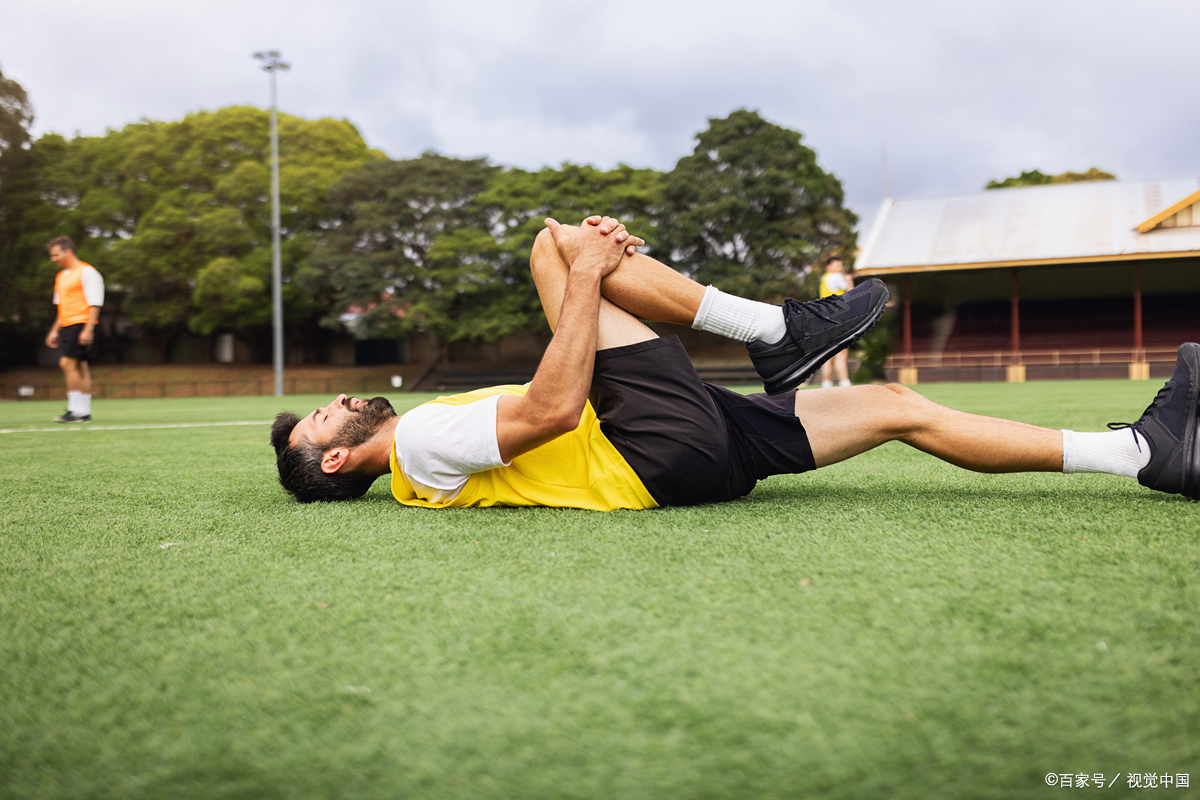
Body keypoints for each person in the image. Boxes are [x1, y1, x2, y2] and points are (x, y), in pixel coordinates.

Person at [270, 216, 1200, 507]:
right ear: (340, 459)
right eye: (323, 418)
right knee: (555, 245)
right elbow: (556, 408)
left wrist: (612, 275)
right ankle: (776, 333)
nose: (340, 399)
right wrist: (595, 273)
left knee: (894, 403)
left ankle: (1140, 454)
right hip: (650, 450)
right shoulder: (421, 442)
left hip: (682, 453)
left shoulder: (428, 445)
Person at [45, 236, 105, 423]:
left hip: (81, 323)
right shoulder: (61, 277)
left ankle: (75, 410)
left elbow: (95, 302)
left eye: (55, 255)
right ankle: (84, 412)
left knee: (67, 364)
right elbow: (61, 307)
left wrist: (88, 329)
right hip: (66, 324)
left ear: (68, 252)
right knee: (80, 366)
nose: (52, 259)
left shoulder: (88, 272)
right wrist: (54, 330)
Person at [817, 256, 854, 388]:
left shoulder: (824, 278)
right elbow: (850, 292)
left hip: (825, 319)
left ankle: (826, 386)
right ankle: (845, 385)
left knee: (827, 356)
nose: (840, 269)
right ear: (829, 267)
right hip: (839, 319)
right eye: (837, 266)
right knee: (841, 356)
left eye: (841, 266)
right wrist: (849, 280)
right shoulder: (836, 277)